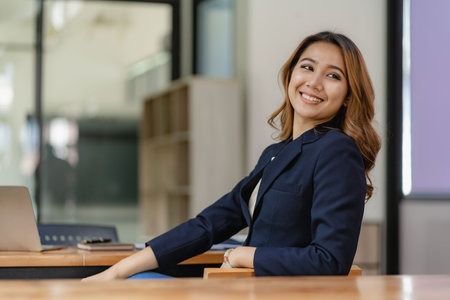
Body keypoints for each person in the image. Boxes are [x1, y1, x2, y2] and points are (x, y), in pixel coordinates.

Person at [83, 31, 381, 280]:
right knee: (132, 280)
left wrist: (243, 255)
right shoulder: (275, 153)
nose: (314, 82)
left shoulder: (337, 150)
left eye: (332, 75)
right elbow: (209, 224)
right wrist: (118, 270)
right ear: (291, 74)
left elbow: (329, 262)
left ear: (348, 96)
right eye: (307, 67)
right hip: (242, 286)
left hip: (277, 293)